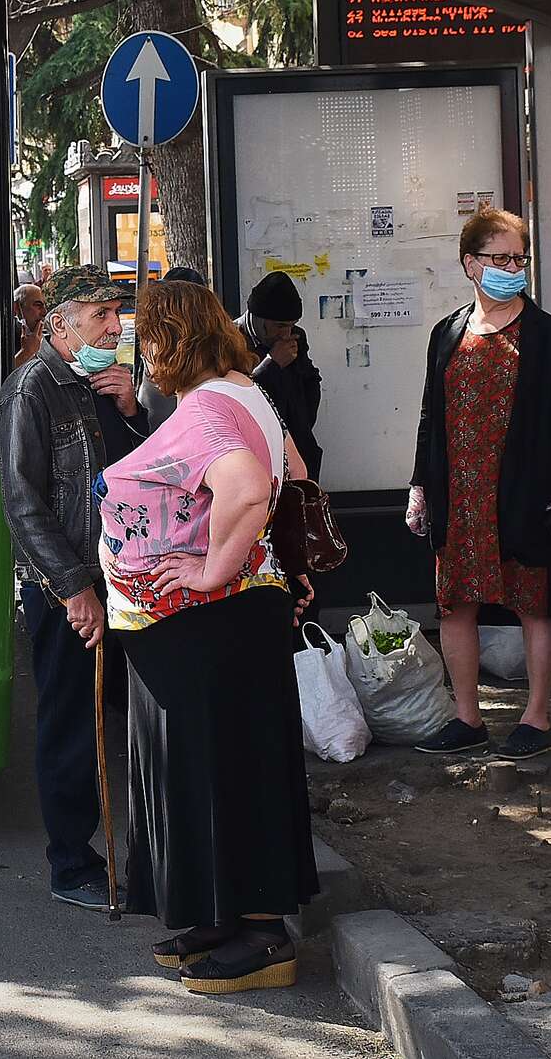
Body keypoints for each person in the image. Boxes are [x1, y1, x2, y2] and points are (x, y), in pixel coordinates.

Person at [98, 278, 318, 994]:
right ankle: (228, 916)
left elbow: (250, 485)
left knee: (226, 768)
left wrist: (209, 566)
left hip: (212, 618)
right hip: (237, 617)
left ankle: (259, 936)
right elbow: (298, 470)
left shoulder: (206, 410)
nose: (143, 349)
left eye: (147, 335)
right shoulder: (244, 390)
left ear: (169, 341)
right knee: (232, 766)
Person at [406, 208, 551, 761]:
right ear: (470, 263)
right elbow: (428, 416)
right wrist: (420, 486)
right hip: (458, 496)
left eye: (519, 258)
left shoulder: (547, 337)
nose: (513, 268)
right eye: (500, 258)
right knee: (454, 606)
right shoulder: (448, 333)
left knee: (534, 605)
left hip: (524, 494)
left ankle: (536, 717)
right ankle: (468, 716)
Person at [0, 264, 149, 911]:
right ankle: (71, 862)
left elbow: (146, 469)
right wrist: (72, 589)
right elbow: (22, 503)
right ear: (59, 326)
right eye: (100, 316)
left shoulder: (100, 385)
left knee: (122, 718)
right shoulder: (32, 390)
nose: (115, 327)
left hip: (122, 580)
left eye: (116, 314)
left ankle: (134, 850)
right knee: (72, 726)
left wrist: (131, 407)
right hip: (68, 589)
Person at [237, 272, 325, 476]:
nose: (286, 334)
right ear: (258, 319)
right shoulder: (232, 340)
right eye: (280, 326)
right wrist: (270, 364)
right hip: (258, 449)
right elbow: (235, 393)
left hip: (298, 443)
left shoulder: (296, 337)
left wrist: (303, 423)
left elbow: (310, 380)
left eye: (291, 325)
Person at [139, 265, 209, 430]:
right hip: (154, 429)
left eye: (170, 300)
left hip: (180, 433)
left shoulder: (201, 343)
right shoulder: (158, 334)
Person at [11, 282, 48, 371]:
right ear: (16, 307)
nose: (44, 312)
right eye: (38, 305)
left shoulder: (47, 337)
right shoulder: (7, 337)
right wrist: (26, 352)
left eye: (45, 306)